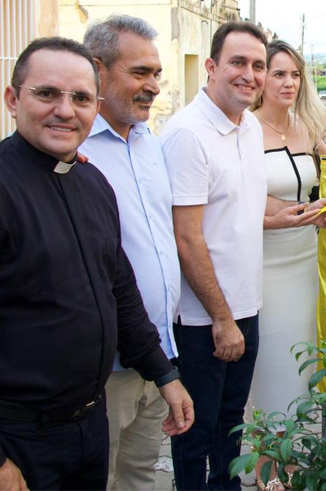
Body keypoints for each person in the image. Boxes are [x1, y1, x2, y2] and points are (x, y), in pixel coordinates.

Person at [0, 37, 193, 491]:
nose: (65, 111)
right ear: (12, 99)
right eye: (47, 94)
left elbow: (120, 291)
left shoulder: (92, 183)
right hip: (19, 439)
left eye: (82, 99)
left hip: (88, 426)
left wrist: (164, 374)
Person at [161, 22, 269, 490]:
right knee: (196, 431)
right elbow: (186, 239)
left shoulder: (250, 125)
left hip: (246, 305)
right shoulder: (188, 134)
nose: (250, 74)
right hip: (203, 317)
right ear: (211, 66)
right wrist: (222, 320)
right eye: (237, 62)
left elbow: (242, 208)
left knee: (231, 424)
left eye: (258, 65)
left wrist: (299, 213)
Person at [80, 15, 182, 491]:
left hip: (159, 354)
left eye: (156, 74)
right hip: (105, 369)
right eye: (139, 72)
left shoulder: (149, 144)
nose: (154, 86)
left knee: (139, 476)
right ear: (97, 70)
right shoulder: (72, 149)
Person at [249, 40, 326, 442]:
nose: (289, 83)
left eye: (295, 74)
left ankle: (295, 452)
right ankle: (267, 456)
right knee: (272, 362)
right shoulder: (245, 129)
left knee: (301, 360)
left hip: (306, 258)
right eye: (279, 74)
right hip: (265, 261)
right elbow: (243, 198)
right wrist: (304, 211)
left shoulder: (304, 126)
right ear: (261, 78)